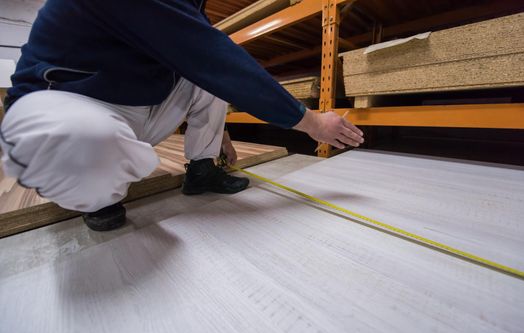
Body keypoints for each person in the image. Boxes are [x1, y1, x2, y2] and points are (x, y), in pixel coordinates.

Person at [0, 0, 364, 231]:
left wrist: (216, 134)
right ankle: (98, 196)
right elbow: (210, 55)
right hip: (61, 105)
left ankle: (202, 170)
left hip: (132, 103)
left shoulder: (189, 5)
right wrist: (311, 122)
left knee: (210, 71)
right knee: (87, 142)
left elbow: (205, 61)